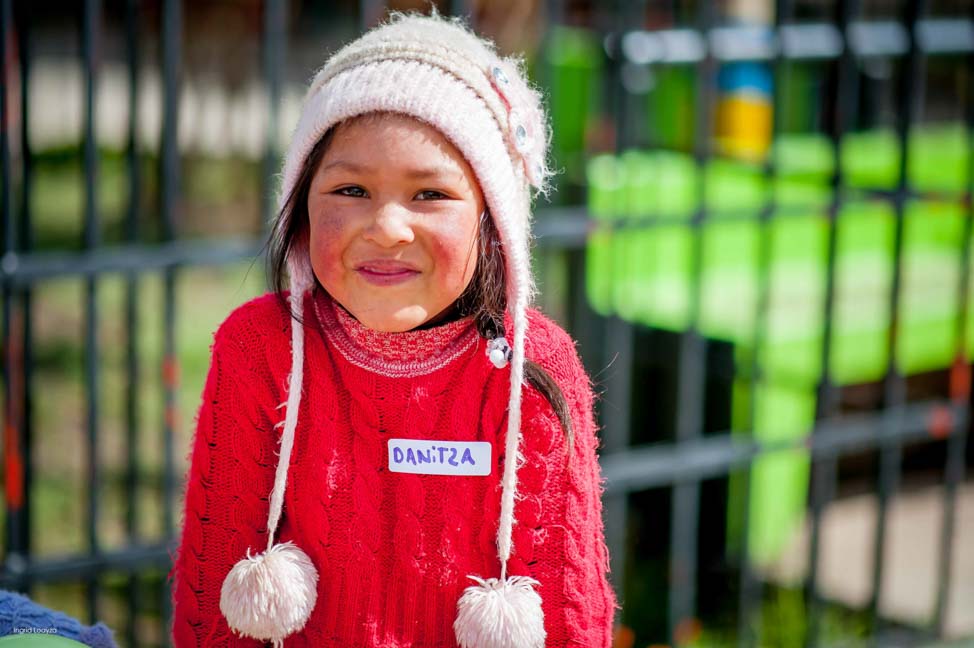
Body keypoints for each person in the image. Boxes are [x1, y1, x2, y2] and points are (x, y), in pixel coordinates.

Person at [169, 11, 616, 648]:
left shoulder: (533, 367)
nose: (387, 227)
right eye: (350, 189)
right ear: (301, 205)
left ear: (494, 223)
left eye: (430, 194)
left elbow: (572, 624)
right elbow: (211, 604)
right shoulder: (257, 349)